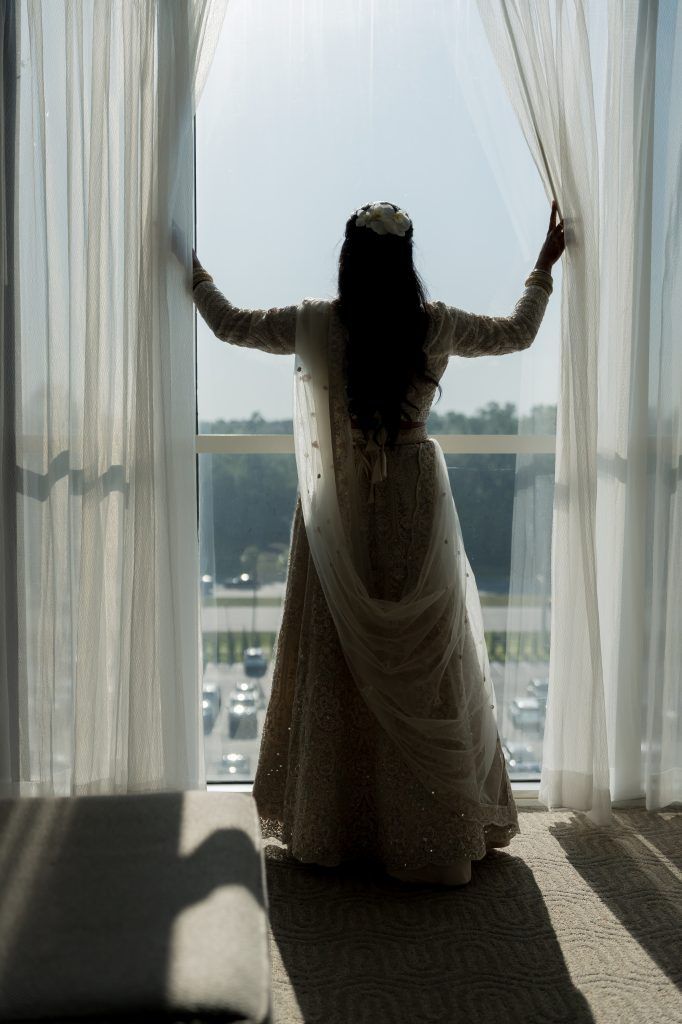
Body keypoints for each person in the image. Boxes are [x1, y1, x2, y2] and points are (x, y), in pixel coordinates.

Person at [192, 200, 565, 887]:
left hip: (339, 509)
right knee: (424, 653)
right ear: (407, 259)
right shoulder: (435, 324)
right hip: (413, 499)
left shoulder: (316, 322)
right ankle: (429, 829)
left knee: (337, 650)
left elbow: (228, 325)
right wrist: (541, 270)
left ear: (348, 258)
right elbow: (517, 334)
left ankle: (342, 824)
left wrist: (192, 271)